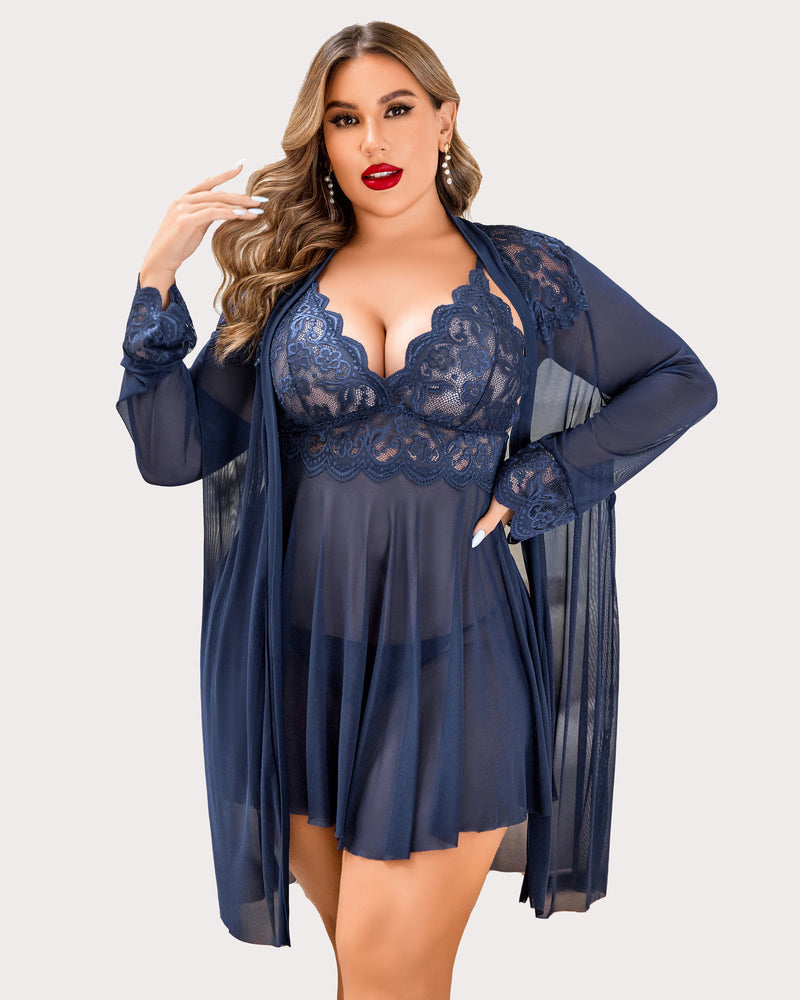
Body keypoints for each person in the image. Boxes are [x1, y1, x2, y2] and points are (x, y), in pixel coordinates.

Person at [116, 19, 717, 1000]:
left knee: (384, 974)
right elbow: (172, 453)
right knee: (383, 981)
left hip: (459, 659)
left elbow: (678, 380)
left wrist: (537, 481)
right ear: (321, 139)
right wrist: (155, 279)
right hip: (299, 671)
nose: (373, 141)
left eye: (397, 109)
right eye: (345, 118)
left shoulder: (527, 271)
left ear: (445, 119)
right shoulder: (282, 288)